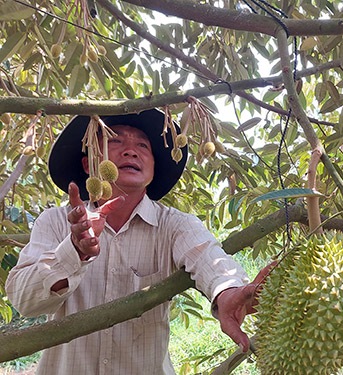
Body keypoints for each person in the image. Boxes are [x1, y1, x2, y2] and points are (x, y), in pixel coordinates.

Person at [6, 109, 266, 375]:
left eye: (142, 145)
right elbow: (25, 301)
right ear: (89, 164)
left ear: (153, 168)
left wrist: (229, 290)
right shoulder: (54, 222)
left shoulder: (174, 225)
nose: (131, 151)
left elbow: (207, 255)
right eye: (116, 140)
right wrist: (73, 252)